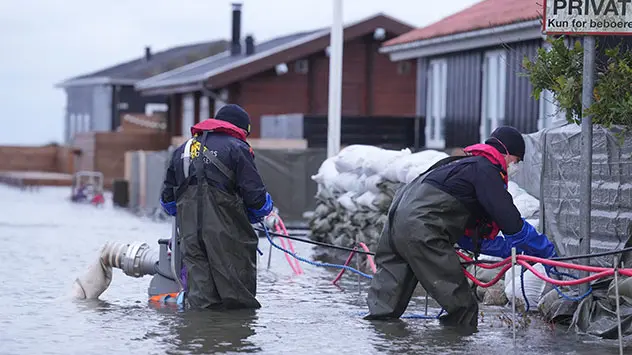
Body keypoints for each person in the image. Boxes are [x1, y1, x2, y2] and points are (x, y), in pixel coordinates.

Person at [364, 126, 557, 328]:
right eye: (517, 161)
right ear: (507, 154)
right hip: (422, 229)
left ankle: (380, 342)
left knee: (384, 309)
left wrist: (507, 251)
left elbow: (466, 235)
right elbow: (513, 224)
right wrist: (547, 252)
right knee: (463, 309)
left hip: (395, 223)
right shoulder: (486, 170)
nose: (515, 167)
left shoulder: (459, 166)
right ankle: (451, 346)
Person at [159, 104, 274, 310]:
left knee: (201, 300)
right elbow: (257, 201)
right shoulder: (238, 148)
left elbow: (167, 202)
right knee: (238, 301)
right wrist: (261, 211)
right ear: (240, 128)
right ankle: (233, 339)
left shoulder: (182, 150)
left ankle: (201, 337)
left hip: (191, 238)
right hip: (228, 237)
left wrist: (190, 216)